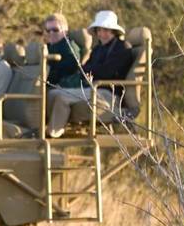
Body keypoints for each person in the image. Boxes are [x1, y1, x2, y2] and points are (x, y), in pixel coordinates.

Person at [45, 10, 134, 138]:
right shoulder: (98, 49)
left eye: (106, 30)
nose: (102, 33)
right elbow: (86, 69)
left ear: (113, 31)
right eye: (99, 30)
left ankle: (53, 134)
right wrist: (90, 69)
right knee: (53, 92)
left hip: (108, 94)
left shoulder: (122, 47)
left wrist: (90, 69)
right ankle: (47, 128)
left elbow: (106, 72)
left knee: (62, 98)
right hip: (92, 89)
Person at [44, 13, 81, 88]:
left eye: (55, 30)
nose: (51, 33)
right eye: (48, 30)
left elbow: (67, 72)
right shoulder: (46, 48)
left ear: (65, 31)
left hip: (63, 87)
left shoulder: (70, 48)